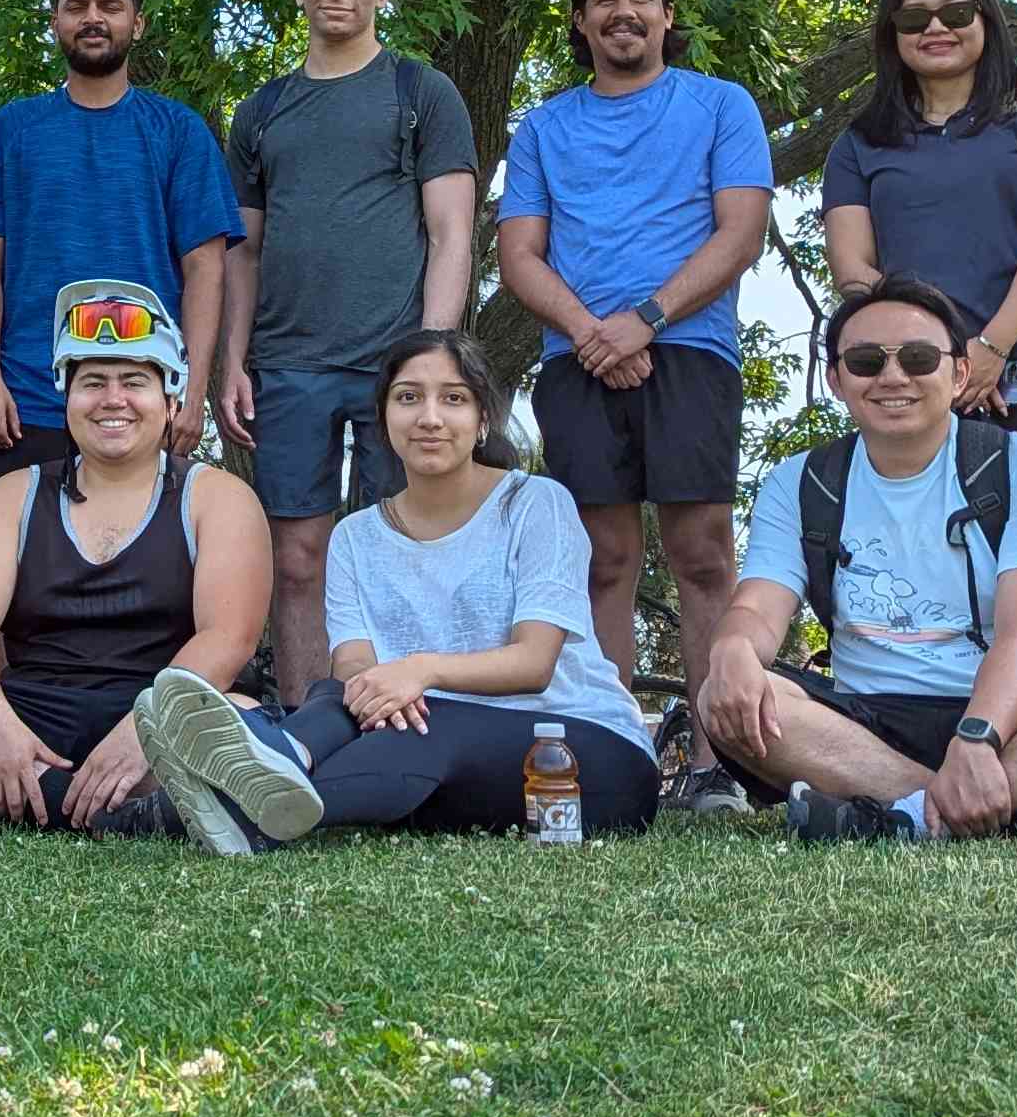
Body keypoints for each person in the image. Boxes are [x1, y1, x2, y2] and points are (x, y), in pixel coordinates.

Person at [699, 278, 1017, 844]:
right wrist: (733, 650)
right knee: (724, 693)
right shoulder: (800, 481)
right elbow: (759, 608)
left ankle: (902, 817)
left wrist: (979, 737)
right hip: (869, 727)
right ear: (836, 380)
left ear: (960, 373)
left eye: (918, 358)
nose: (893, 377)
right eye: (865, 361)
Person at [134, 329, 657, 858]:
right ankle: (276, 758)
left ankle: (216, 802)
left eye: (453, 399)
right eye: (408, 397)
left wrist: (418, 672)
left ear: (482, 419)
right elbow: (353, 665)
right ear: (383, 417)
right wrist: (381, 692)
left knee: (420, 730)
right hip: (430, 756)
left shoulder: (534, 504)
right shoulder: (355, 536)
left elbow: (535, 663)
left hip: (578, 753)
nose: (430, 417)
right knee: (340, 699)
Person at [493, 0, 772, 815]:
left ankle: (721, 764)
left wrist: (644, 320)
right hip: (576, 359)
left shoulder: (721, 105)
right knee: (601, 558)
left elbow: (740, 233)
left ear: (667, 14)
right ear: (581, 21)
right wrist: (592, 334)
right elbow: (519, 254)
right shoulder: (544, 128)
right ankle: (614, 758)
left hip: (691, 351)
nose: (624, 12)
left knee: (703, 553)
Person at [0, 285, 279, 835]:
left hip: (160, 712)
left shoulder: (218, 497)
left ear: (171, 401)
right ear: (67, 399)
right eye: (93, 383)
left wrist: (144, 730)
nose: (113, 399)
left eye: (134, 382)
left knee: (244, 724)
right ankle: (121, 816)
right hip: (33, 717)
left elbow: (227, 638)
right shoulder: (14, 496)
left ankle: (5, 804)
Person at [212, 0, 481, 702]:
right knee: (298, 559)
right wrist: (233, 362)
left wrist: (431, 362)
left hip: (393, 366)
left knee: (404, 553)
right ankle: (305, 731)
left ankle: (408, 721)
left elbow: (452, 234)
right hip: (288, 363)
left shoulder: (421, 92)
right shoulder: (261, 111)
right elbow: (242, 251)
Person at [0, 0, 240, 493]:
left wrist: (192, 390)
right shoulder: (11, 130)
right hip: (24, 400)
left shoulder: (179, 131)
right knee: (18, 548)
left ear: (138, 23)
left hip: (143, 397)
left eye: (110, 6)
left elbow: (206, 269)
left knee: (141, 549)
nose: (92, 18)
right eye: (76, 6)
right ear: (55, 22)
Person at [821, 0, 1017, 479]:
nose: (936, 28)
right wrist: (938, 357)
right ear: (892, 33)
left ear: (985, 18)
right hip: (913, 379)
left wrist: (992, 346)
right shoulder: (859, 142)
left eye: (955, 13)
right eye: (913, 18)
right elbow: (852, 268)